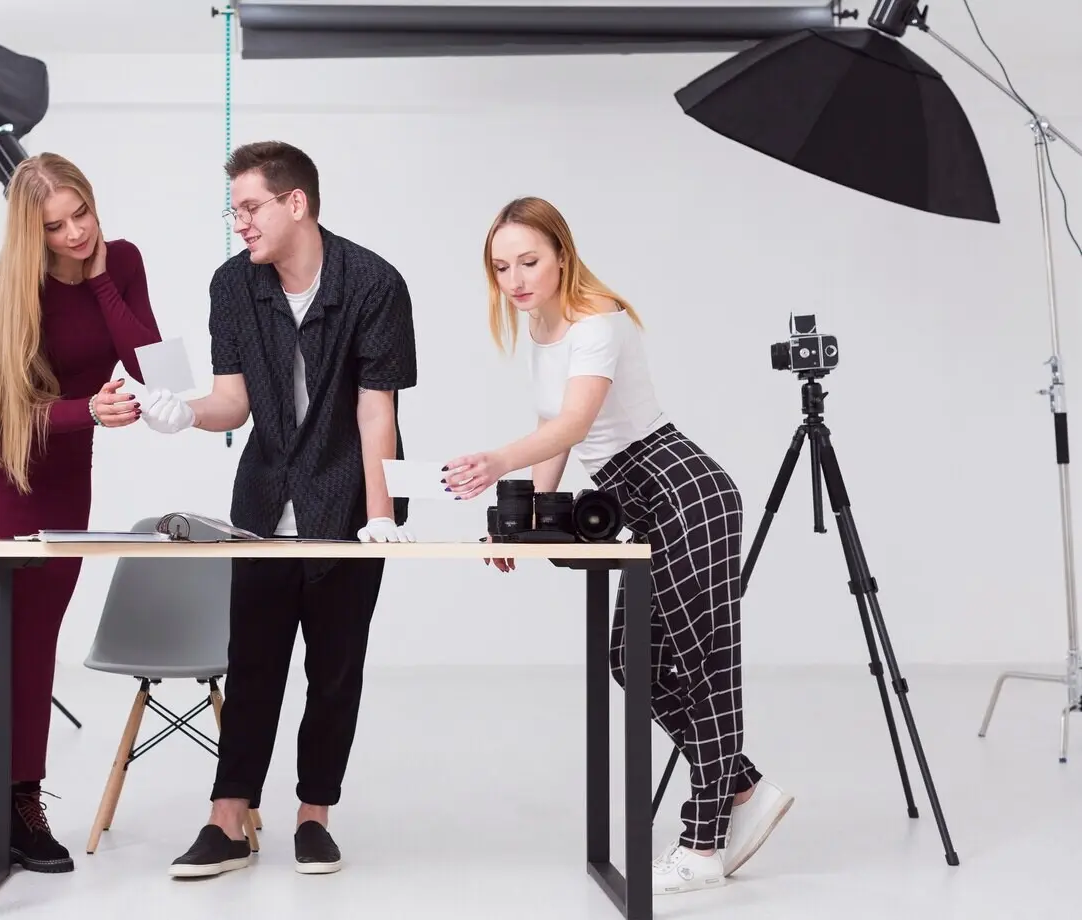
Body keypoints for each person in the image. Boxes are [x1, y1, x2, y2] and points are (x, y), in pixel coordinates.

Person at [442, 196, 793, 895]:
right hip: (640, 502)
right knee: (632, 663)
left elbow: (573, 424)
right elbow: (555, 429)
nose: (515, 278)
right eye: (501, 266)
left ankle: (703, 845)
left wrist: (497, 461)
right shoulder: (542, 333)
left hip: (685, 490)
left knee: (699, 664)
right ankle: (746, 788)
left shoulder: (596, 321)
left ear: (562, 256)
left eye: (529, 261)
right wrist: (525, 527)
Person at [139, 140, 417, 878]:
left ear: (296, 203)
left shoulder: (374, 283)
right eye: (235, 210)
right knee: (254, 661)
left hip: (352, 499)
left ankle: (314, 816)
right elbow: (231, 402)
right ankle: (227, 820)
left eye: (250, 207)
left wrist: (380, 513)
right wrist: (179, 414)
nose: (241, 223)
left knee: (334, 669)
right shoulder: (233, 286)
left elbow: (374, 410)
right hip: (263, 501)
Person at [0, 152, 161, 874]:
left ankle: (24, 800)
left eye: (81, 215)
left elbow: (155, 364)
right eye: (54, 227)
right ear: (29, 232)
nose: (73, 234)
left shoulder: (121, 261)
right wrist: (88, 411)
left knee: (37, 643)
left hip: (66, 481)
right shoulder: (11, 287)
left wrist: (100, 279)